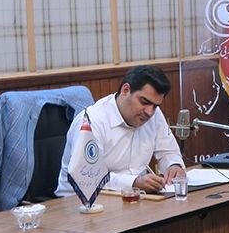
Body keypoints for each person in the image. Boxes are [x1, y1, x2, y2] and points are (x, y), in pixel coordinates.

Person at [56, 65, 185, 196]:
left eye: (155, 106)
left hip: (134, 196)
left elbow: (168, 151)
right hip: (81, 200)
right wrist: (133, 182)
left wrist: (173, 166)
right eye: (144, 102)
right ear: (125, 90)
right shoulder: (92, 121)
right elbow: (86, 176)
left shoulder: (153, 114)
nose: (149, 112)